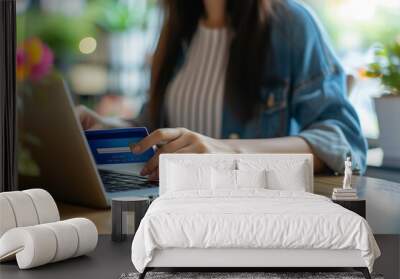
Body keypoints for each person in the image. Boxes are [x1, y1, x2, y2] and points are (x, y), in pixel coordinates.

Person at [77, 0, 367, 180]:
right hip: (175, 215)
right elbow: (158, 127)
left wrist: (229, 151)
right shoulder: (178, 30)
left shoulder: (289, 24)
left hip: (253, 218)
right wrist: (107, 127)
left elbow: (343, 142)